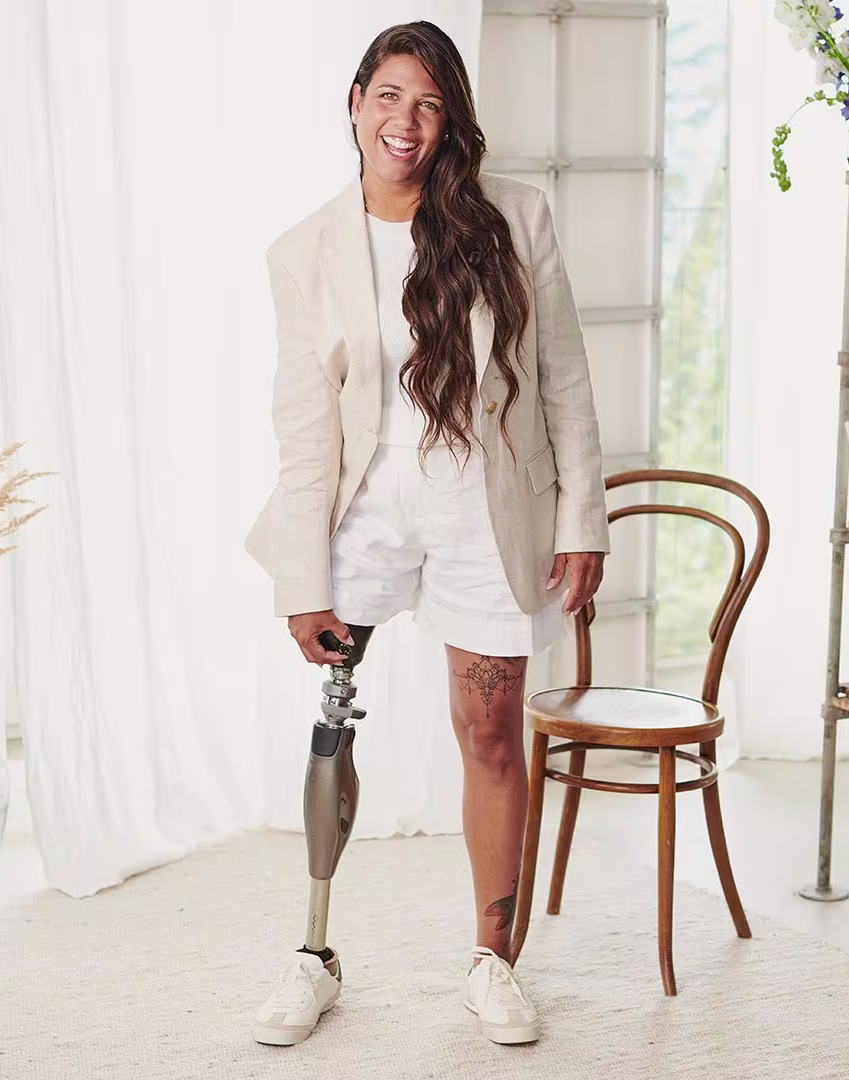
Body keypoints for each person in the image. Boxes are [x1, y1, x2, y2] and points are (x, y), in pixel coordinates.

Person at [243, 20, 608, 1048]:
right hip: (364, 505)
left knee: (490, 729)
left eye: (431, 103)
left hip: (484, 504)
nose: (406, 121)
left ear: (452, 122)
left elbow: (565, 378)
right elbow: (305, 430)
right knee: (333, 720)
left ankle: (496, 960)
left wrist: (583, 514)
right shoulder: (305, 252)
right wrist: (302, 578)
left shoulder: (512, 220)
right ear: (356, 103)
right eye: (390, 96)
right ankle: (314, 955)